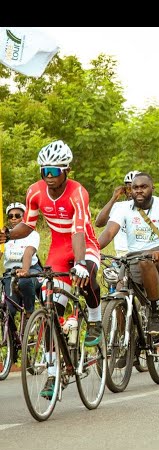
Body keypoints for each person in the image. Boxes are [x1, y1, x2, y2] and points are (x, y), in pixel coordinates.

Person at [0, 140, 103, 397]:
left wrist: (79, 263)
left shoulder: (78, 192)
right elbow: (29, 225)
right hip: (58, 247)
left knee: (87, 274)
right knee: (50, 309)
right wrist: (9, 234)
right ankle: (54, 373)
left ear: (66, 170)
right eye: (44, 171)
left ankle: (95, 321)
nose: (49, 177)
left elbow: (78, 230)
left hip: (83, 244)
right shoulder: (35, 192)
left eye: (54, 171)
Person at [98, 172, 159, 335]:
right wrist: (91, 251)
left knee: (146, 262)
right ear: (130, 190)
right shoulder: (123, 208)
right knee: (119, 294)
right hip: (132, 259)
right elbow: (108, 232)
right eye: (135, 188)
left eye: (143, 187)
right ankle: (126, 348)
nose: (139, 191)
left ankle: (155, 311)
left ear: (152, 188)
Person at [0, 202, 43, 345]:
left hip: (31, 270)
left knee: (25, 281)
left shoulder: (32, 234)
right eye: (11, 216)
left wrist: (25, 270)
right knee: (8, 312)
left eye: (17, 215)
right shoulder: (5, 237)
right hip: (11, 274)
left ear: (24, 217)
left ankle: (30, 315)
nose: (13, 218)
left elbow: (28, 252)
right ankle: (12, 345)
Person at [94, 170, 141, 256]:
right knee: (108, 270)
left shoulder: (150, 207)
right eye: (128, 188)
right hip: (121, 256)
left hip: (141, 256)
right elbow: (99, 223)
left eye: (134, 188)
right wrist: (113, 198)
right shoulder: (119, 206)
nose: (131, 192)